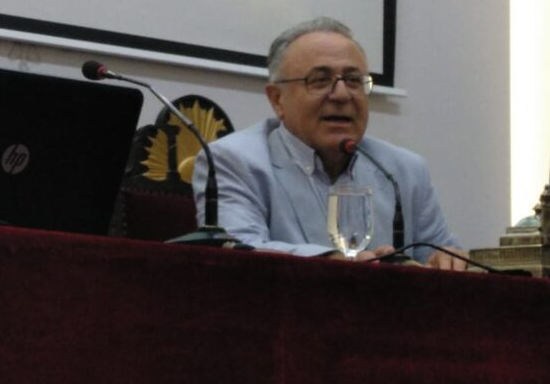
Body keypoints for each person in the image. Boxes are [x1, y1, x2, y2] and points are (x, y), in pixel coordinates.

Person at [192, 17, 466, 269]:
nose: (342, 94)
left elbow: (437, 251)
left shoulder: (404, 170)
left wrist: (446, 259)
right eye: (320, 80)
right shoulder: (233, 161)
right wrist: (332, 262)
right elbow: (238, 252)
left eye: (354, 80)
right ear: (277, 99)